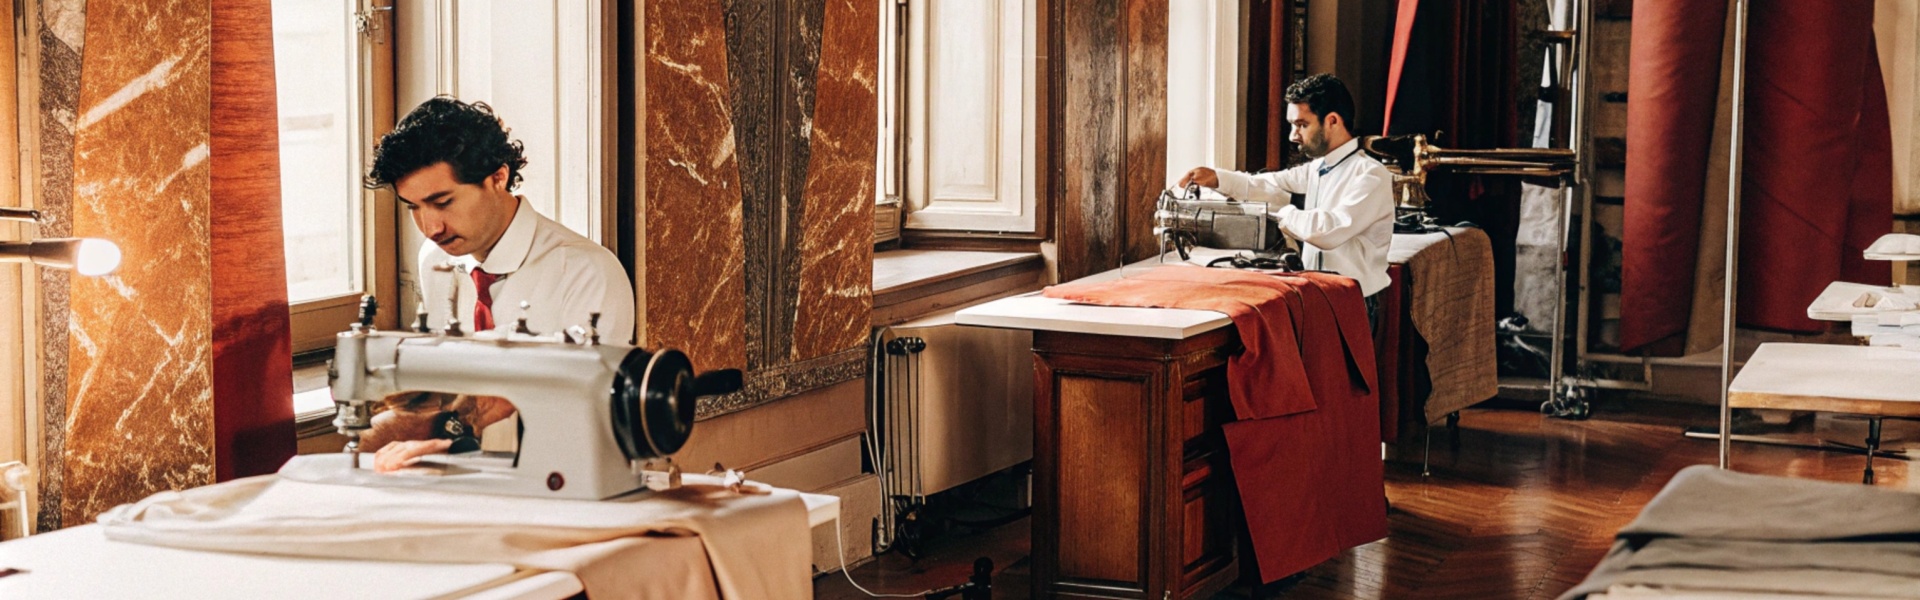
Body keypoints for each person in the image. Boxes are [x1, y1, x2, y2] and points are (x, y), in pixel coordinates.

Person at [358, 96, 636, 472]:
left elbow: (591, 412)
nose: (430, 227)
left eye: (442, 202)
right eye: (413, 208)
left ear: (498, 178)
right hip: (461, 475)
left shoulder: (588, 274)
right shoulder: (435, 259)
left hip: (560, 479)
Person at [1176, 73, 1394, 324]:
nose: (1293, 135)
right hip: (1318, 294)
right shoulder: (1318, 167)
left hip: (1355, 302)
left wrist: (1282, 211)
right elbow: (1268, 183)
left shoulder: (1371, 175)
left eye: (1302, 124)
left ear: (1332, 121)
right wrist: (1217, 179)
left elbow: (1329, 230)